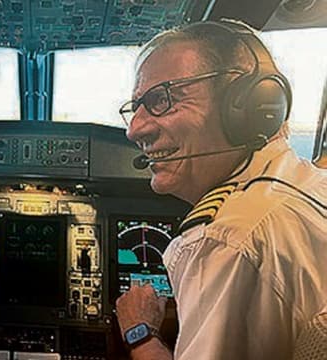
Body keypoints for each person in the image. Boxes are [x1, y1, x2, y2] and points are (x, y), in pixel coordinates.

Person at [114, 20, 327, 360]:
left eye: (161, 100)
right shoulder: (312, 185)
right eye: (135, 107)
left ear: (248, 107)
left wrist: (139, 332)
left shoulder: (231, 239)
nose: (135, 129)